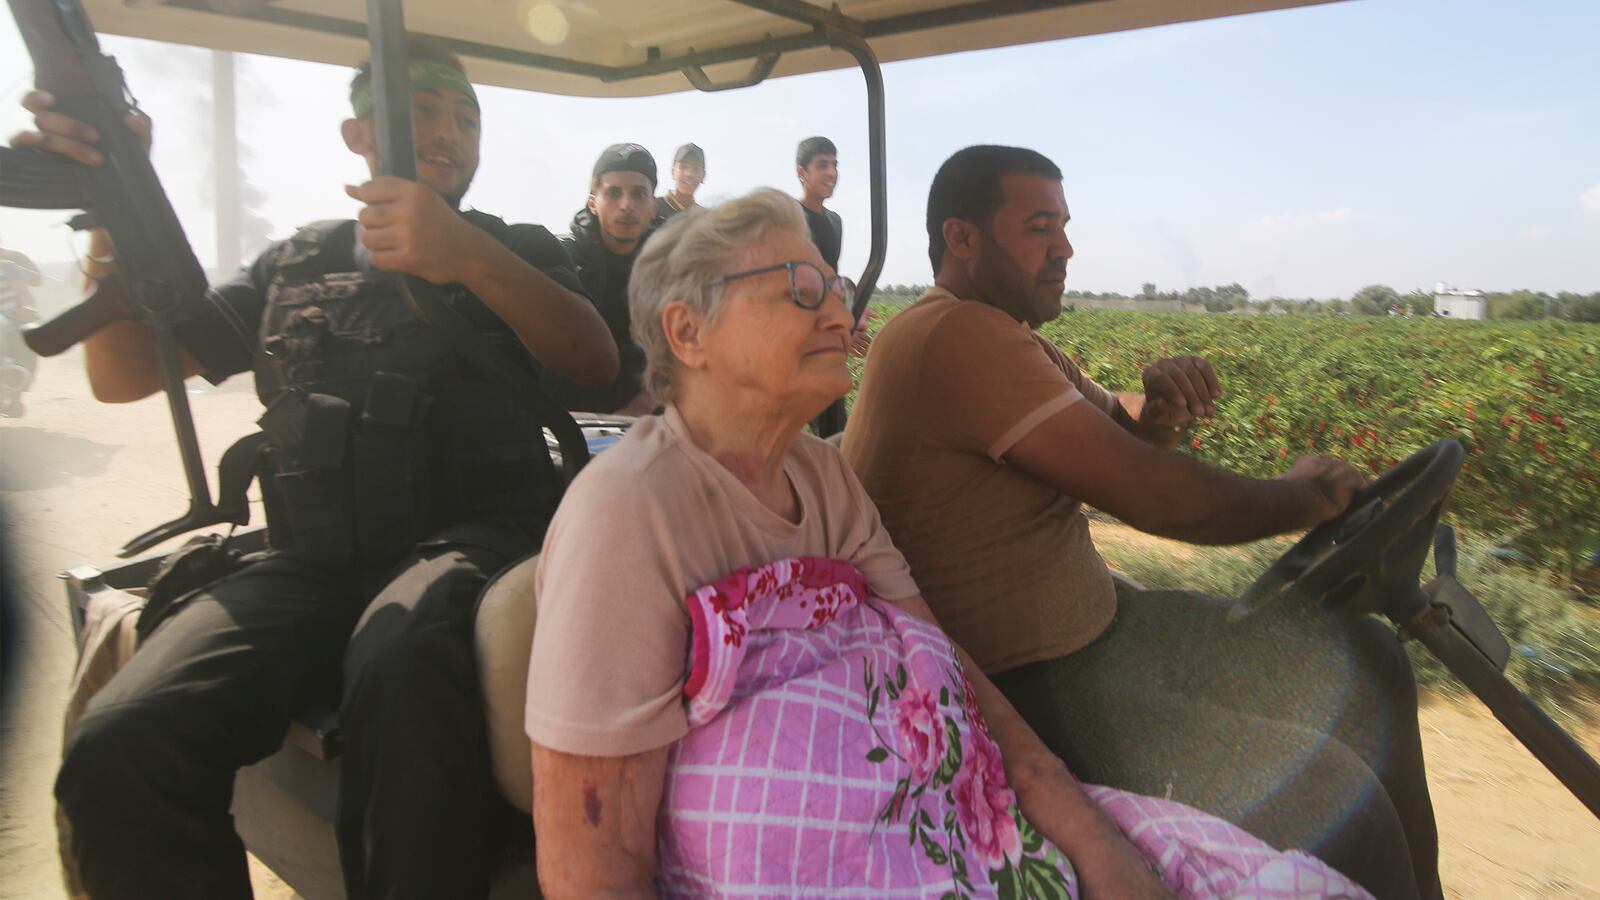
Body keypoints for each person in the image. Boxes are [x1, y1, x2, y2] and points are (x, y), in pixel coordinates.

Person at [521, 188, 1369, 898]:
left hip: (948, 818)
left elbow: (943, 670)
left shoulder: (819, 476)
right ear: (688, 333)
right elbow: (594, 860)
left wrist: (1100, 847)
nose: (839, 313)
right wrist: (1301, 496)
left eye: (834, 284)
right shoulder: (627, 514)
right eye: (798, 288)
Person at [14, 37, 618, 900]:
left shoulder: (509, 247)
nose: (449, 129)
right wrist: (114, 197)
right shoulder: (294, 261)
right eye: (421, 109)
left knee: (404, 662)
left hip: (469, 543)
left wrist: (465, 256)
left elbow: (595, 360)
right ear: (358, 133)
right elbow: (121, 374)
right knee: (124, 739)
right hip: (311, 561)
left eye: (466, 115)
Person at [841, 145, 1441, 900]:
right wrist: (1305, 497)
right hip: (1030, 686)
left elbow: (1118, 430)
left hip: (1108, 630)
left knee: (1369, 656)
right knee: (1342, 801)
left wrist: (1155, 412)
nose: (1064, 247)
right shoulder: (951, 336)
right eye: (1039, 227)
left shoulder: (1013, 339)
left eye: (1063, 225)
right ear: (961, 239)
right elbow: (1159, 498)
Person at [540, 143, 663, 414]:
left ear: (654, 206)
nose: (626, 206)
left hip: (649, 423)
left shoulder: (671, 270)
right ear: (593, 202)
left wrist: (645, 405)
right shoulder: (561, 263)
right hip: (569, 424)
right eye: (614, 193)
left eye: (639, 194)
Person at [0, 247, 42, 417]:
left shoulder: (9, 266)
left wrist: (27, 309)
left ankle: (16, 397)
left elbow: (25, 295)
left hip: (12, 318)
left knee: (30, 340)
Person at [795, 135, 843, 272]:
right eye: (822, 165)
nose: (832, 173)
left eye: (834, 165)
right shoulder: (785, 217)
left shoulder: (835, 221)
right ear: (802, 172)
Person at [655, 142, 704, 219]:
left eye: (696, 168)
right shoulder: (653, 209)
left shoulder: (705, 218)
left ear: (703, 176)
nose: (689, 174)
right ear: (672, 172)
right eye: (683, 166)